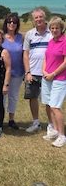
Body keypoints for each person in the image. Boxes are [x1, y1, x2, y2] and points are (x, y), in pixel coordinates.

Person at [23, 8, 52, 133]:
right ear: (33, 20)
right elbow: (25, 54)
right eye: (36, 17)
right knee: (33, 97)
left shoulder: (52, 33)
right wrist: (27, 72)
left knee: (49, 100)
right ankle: (36, 123)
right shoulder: (29, 34)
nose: (38, 19)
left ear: (44, 18)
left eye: (40, 17)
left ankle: (51, 124)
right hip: (33, 72)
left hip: (48, 72)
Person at [41, 17, 66, 147]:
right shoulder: (51, 41)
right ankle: (55, 131)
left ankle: (62, 136)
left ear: (62, 28)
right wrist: (44, 71)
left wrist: (53, 73)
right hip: (47, 77)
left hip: (59, 79)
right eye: (52, 28)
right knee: (49, 105)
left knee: (56, 107)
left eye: (57, 28)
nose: (54, 30)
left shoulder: (65, 41)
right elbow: (46, 57)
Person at [2, 14, 24, 129]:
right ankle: (0, 119)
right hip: (3, 73)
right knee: (2, 96)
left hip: (18, 72)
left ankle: (11, 119)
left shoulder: (21, 37)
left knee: (13, 96)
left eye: (14, 22)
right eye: (9, 22)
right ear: (6, 24)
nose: (12, 24)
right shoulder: (1, 37)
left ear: (17, 24)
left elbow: (25, 54)